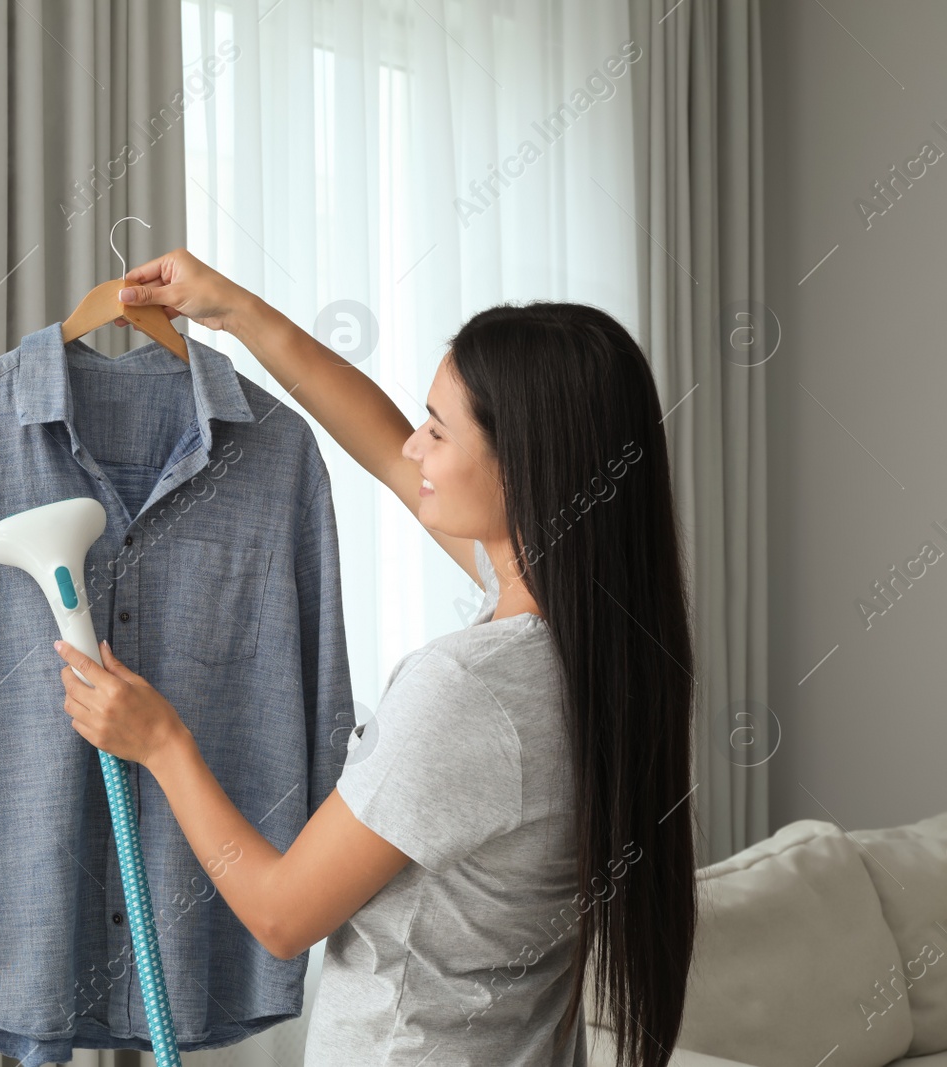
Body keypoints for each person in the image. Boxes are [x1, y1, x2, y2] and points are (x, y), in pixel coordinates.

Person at [50, 248, 698, 1067]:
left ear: (525, 467)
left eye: (438, 427)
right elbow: (388, 452)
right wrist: (237, 310)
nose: (416, 447)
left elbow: (282, 917)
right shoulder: (601, 646)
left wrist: (163, 745)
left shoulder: (468, 690)